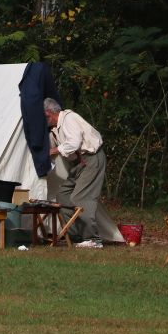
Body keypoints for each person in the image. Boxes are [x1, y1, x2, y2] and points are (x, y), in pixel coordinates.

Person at [44, 98, 106, 248]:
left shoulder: (68, 118)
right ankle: (75, 235)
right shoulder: (54, 130)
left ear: (49, 113)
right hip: (79, 163)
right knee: (63, 195)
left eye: (44, 116)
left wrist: (54, 150)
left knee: (81, 197)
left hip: (91, 158)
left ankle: (93, 239)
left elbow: (74, 142)